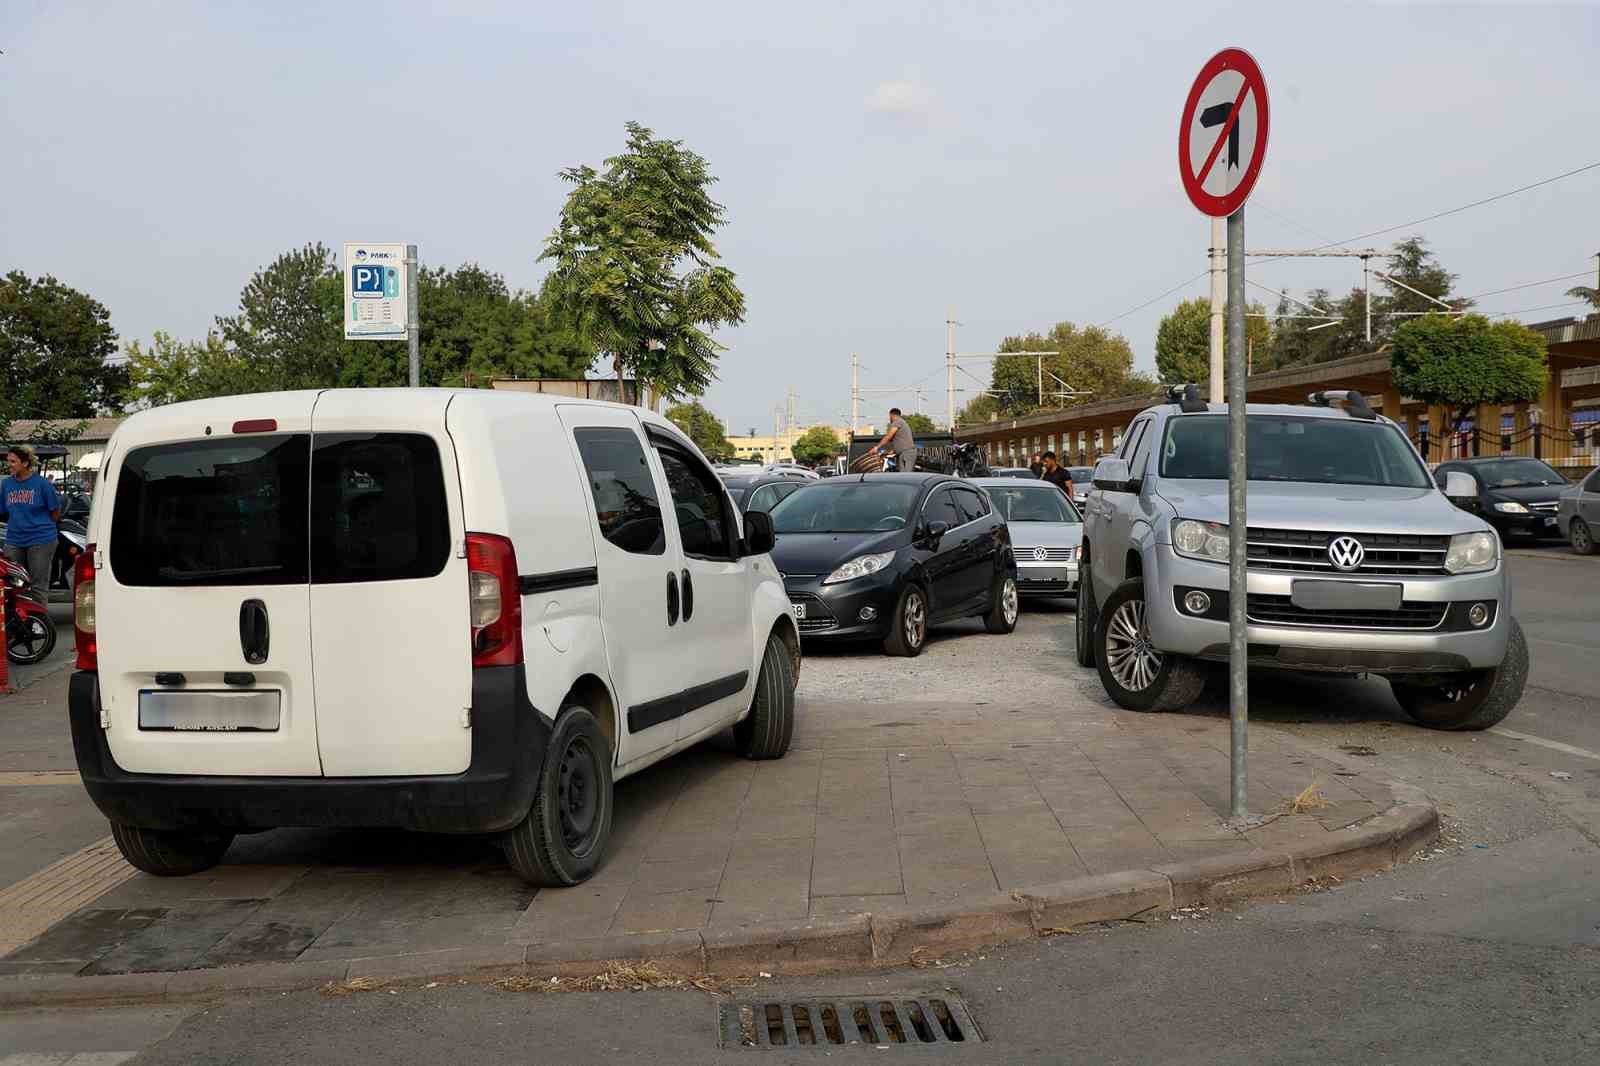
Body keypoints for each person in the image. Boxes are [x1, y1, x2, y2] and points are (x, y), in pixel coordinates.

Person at [2, 444, 62, 591]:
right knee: (13, 583)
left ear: (25, 463)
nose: (9, 465)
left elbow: (55, 511)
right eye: (8, 461)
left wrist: (40, 526)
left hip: (41, 539)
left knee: (38, 584)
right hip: (14, 539)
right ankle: (17, 614)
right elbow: (3, 511)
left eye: (13, 461)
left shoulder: (42, 484)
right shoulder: (6, 484)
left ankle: (39, 614)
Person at [868, 407, 917, 472]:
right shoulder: (902, 422)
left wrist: (876, 448)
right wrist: (890, 452)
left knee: (906, 477)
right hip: (904, 453)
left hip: (907, 453)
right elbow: (901, 442)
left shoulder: (897, 422)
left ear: (892, 415)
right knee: (902, 476)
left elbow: (888, 436)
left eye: (889, 416)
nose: (889, 419)